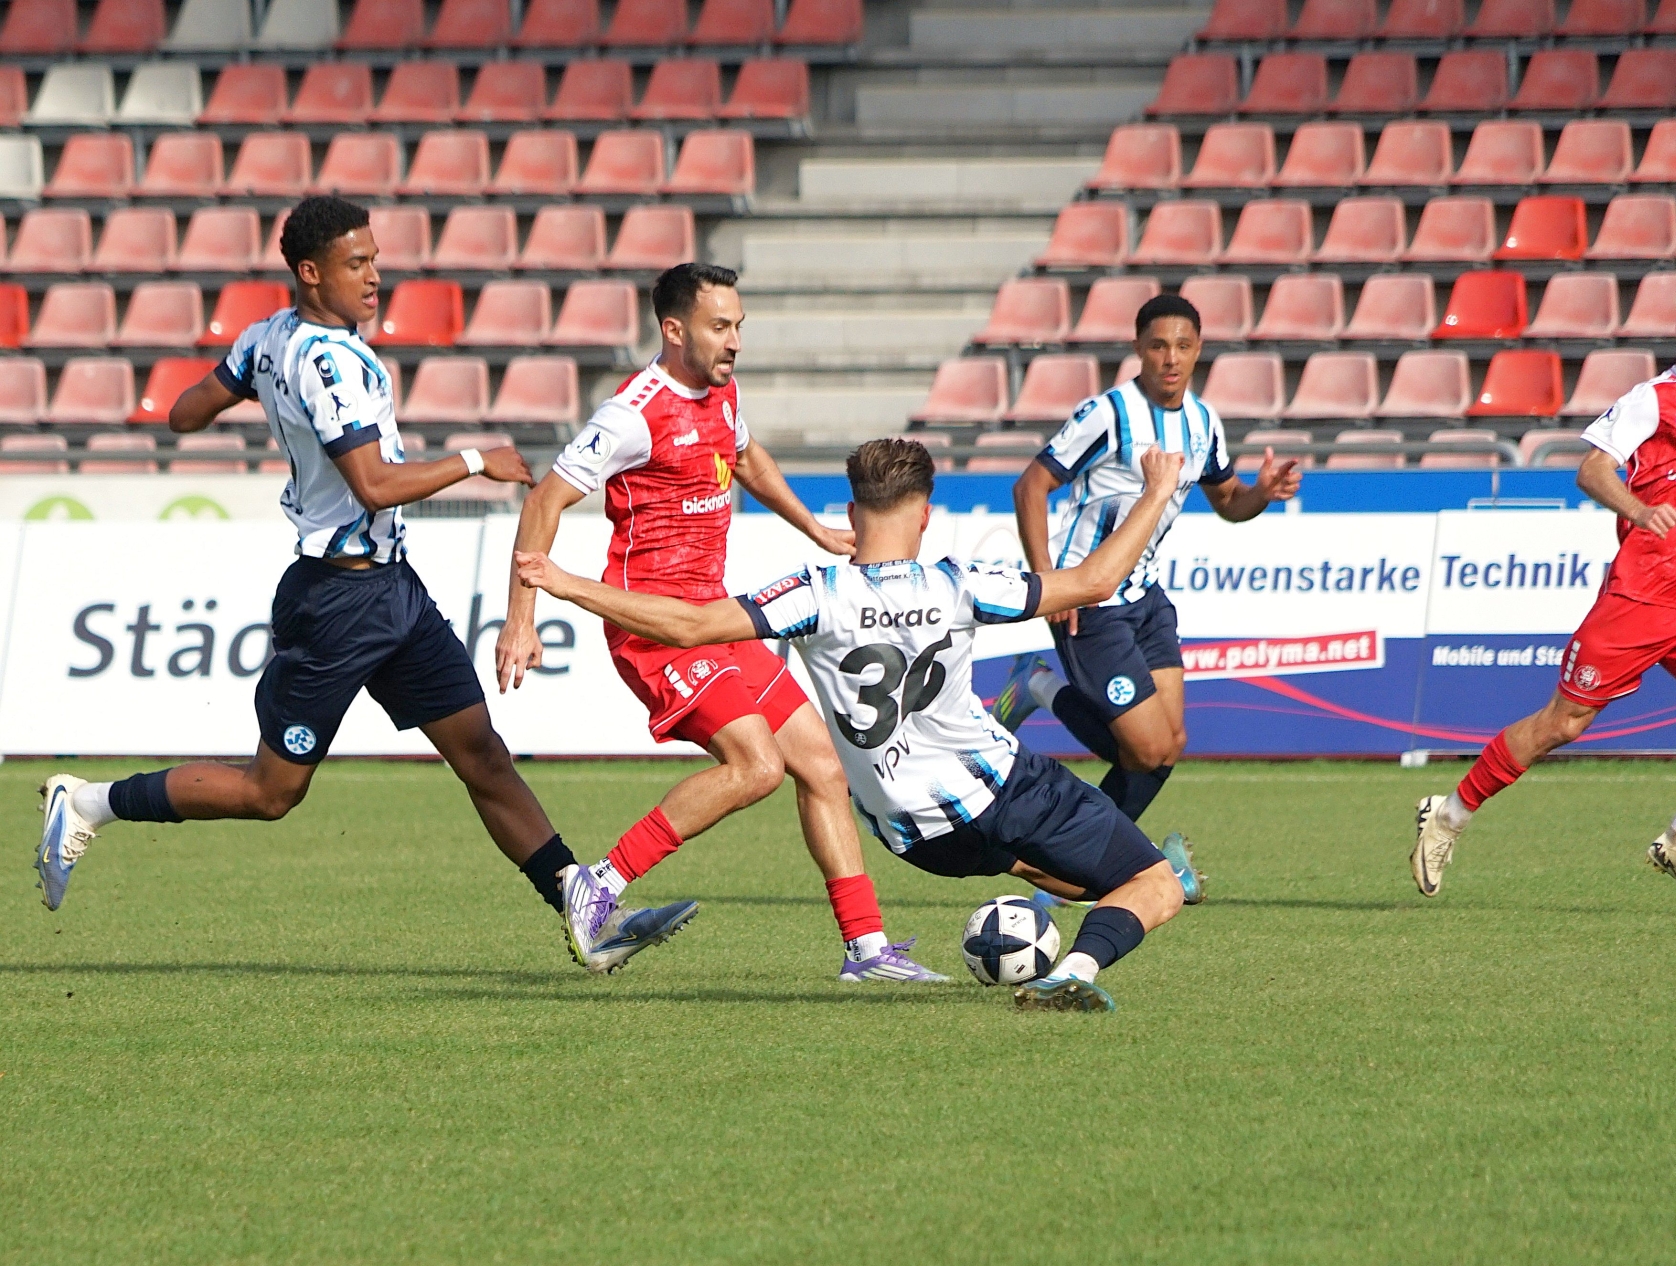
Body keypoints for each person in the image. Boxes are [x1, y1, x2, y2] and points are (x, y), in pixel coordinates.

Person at [32, 196, 696, 974]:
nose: (375, 276)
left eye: (374, 259)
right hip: (336, 601)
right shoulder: (329, 362)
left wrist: (250, 389)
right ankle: (88, 802)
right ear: (311, 273)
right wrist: (476, 460)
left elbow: (183, 413)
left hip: (392, 592)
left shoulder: (267, 337)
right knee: (270, 792)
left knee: (481, 752)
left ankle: (583, 912)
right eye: (357, 263)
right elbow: (374, 484)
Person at [513, 438, 1206, 1013]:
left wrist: (567, 583)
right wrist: (1154, 492)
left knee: (1088, 881)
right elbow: (1094, 582)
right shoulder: (959, 584)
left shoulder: (814, 594)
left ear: (851, 511)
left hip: (919, 838)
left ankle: (1077, 907)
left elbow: (689, 625)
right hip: (1008, 790)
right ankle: (1077, 969)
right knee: (1156, 884)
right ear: (926, 516)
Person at [495, 263, 944, 983]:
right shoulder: (632, 414)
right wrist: (522, 619)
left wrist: (813, 529)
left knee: (821, 765)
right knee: (756, 766)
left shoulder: (722, 392)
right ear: (674, 331)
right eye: (719, 326)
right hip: (655, 627)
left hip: (714, 616)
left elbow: (746, 456)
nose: (734, 341)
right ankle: (598, 882)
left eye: (738, 326)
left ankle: (867, 951)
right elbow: (543, 500)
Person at [1408, 276, 1676, 907]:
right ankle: (1447, 816)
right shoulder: (1654, 399)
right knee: (1563, 724)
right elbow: (1592, 469)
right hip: (1638, 599)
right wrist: (1639, 510)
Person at [993, 295, 1300, 837]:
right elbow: (1030, 486)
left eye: (1183, 345)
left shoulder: (1203, 421)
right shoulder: (1109, 414)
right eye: (1158, 346)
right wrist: (1048, 584)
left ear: (1199, 350)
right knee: (1146, 750)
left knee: (1169, 744)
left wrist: (1262, 493)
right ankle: (1038, 687)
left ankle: (1092, 859)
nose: (1171, 358)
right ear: (1138, 348)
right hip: (1089, 597)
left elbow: (1228, 501)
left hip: (1147, 598)